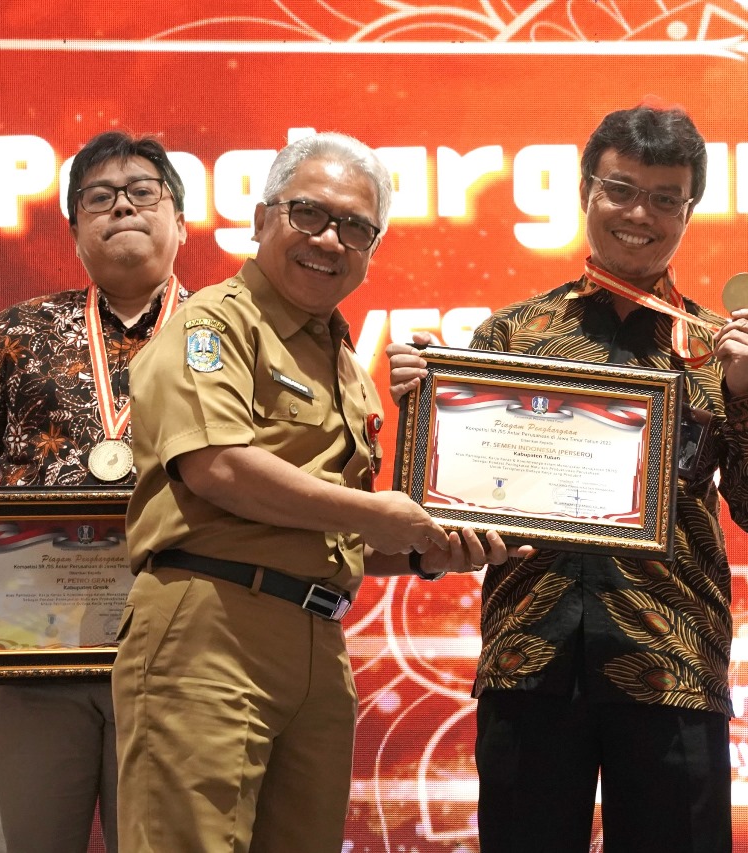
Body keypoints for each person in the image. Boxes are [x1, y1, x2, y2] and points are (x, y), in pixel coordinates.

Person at [388, 104, 748, 852]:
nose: (639, 214)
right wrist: (427, 409)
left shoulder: (722, 349)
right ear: (585, 191)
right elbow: (440, 511)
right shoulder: (511, 336)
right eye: (620, 189)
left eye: (664, 198)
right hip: (529, 654)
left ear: (689, 210)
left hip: (670, 659)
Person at [111, 131, 514, 853]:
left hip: (320, 640)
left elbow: (341, 535)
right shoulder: (214, 324)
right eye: (310, 214)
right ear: (263, 217)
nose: (330, 239)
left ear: (372, 249)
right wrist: (377, 511)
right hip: (212, 627)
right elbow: (216, 467)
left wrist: (428, 551)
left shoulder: (349, 367)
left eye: (355, 227)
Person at [0, 130, 189, 852]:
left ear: (181, 220)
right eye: (99, 197)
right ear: (74, 231)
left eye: (142, 191)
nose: (121, 205)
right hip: (29, 651)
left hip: (184, 654)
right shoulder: (18, 330)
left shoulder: (229, 334)